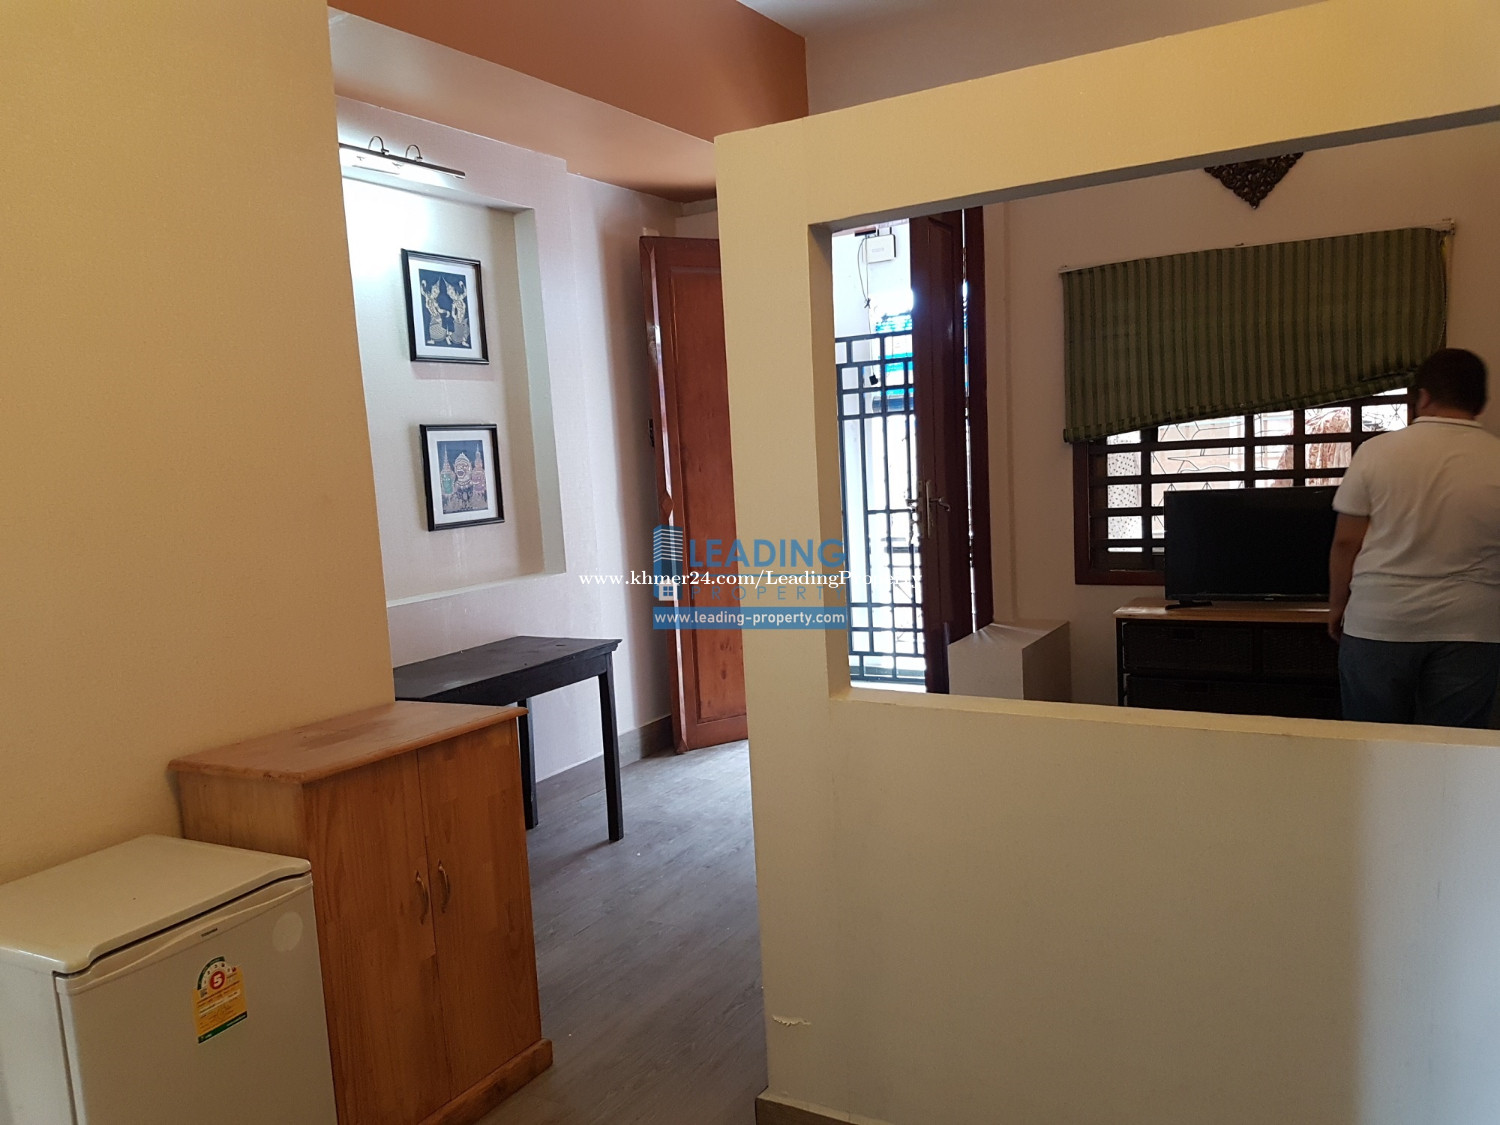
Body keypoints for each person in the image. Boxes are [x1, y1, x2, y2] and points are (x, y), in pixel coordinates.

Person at [1328, 348, 1500, 727]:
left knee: (1373, 744)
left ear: (1423, 396)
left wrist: (1338, 606)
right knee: (1453, 749)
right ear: (1481, 403)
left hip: (1380, 618)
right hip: (1473, 626)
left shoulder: (1375, 452)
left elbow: (1346, 543)